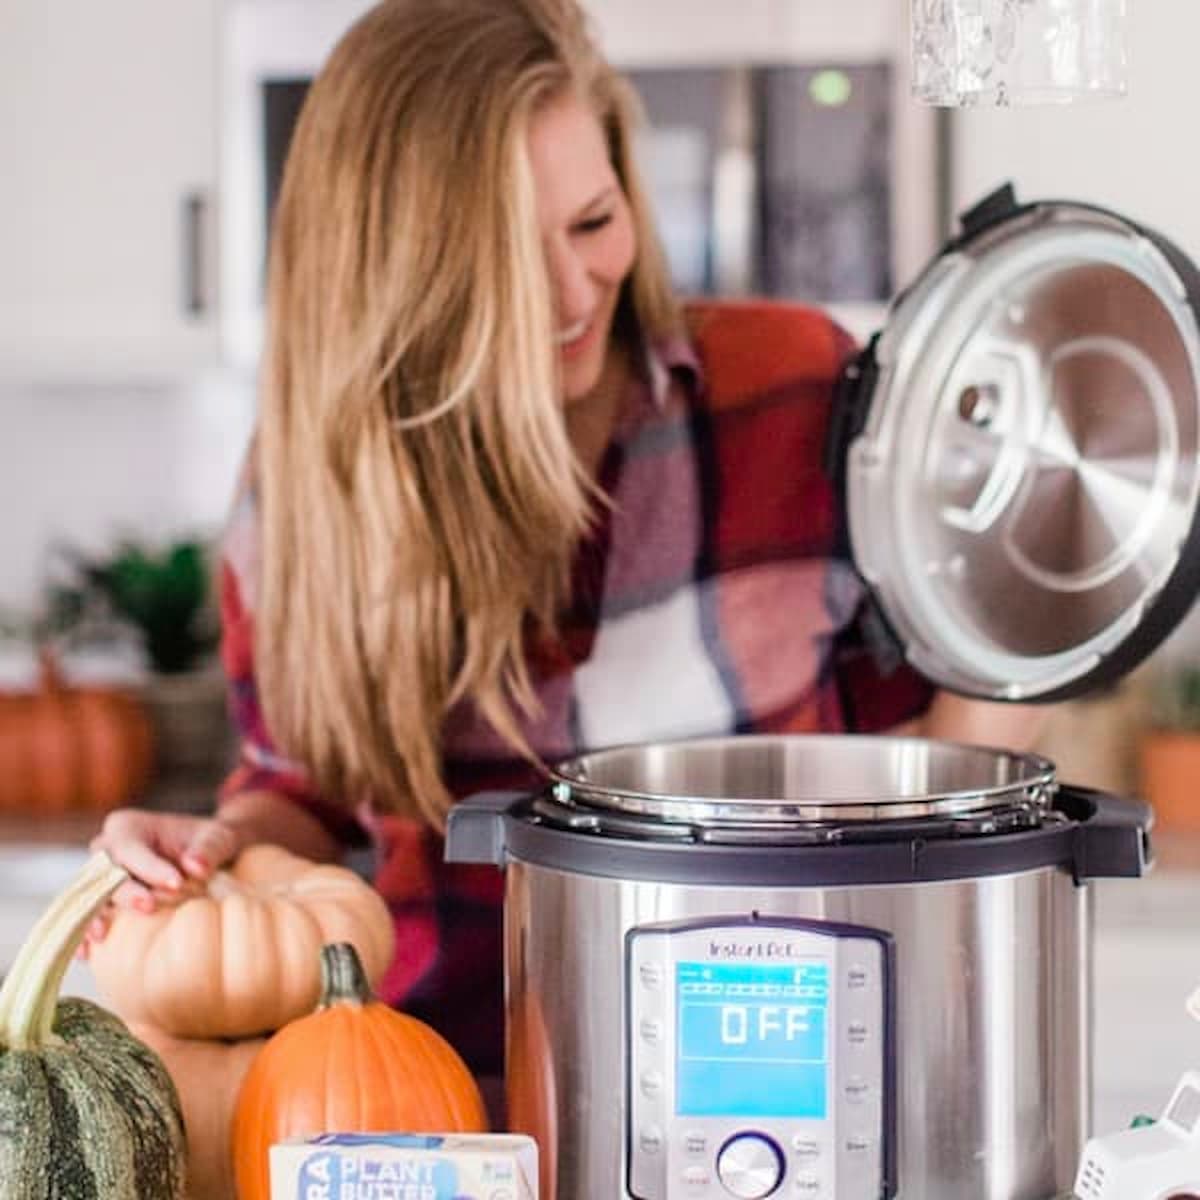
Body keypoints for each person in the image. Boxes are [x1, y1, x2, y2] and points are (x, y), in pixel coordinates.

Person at [88, 0, 1044, 1078]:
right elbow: (306, 794)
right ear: (390, 280)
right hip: (430, 1102)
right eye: (504, 259)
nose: (575, 290)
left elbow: (940, 731)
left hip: (784, 1084)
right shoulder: (306, 488)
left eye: (593, 222)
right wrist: (215, 851)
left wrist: (1038, 613)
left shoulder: (795, 392)